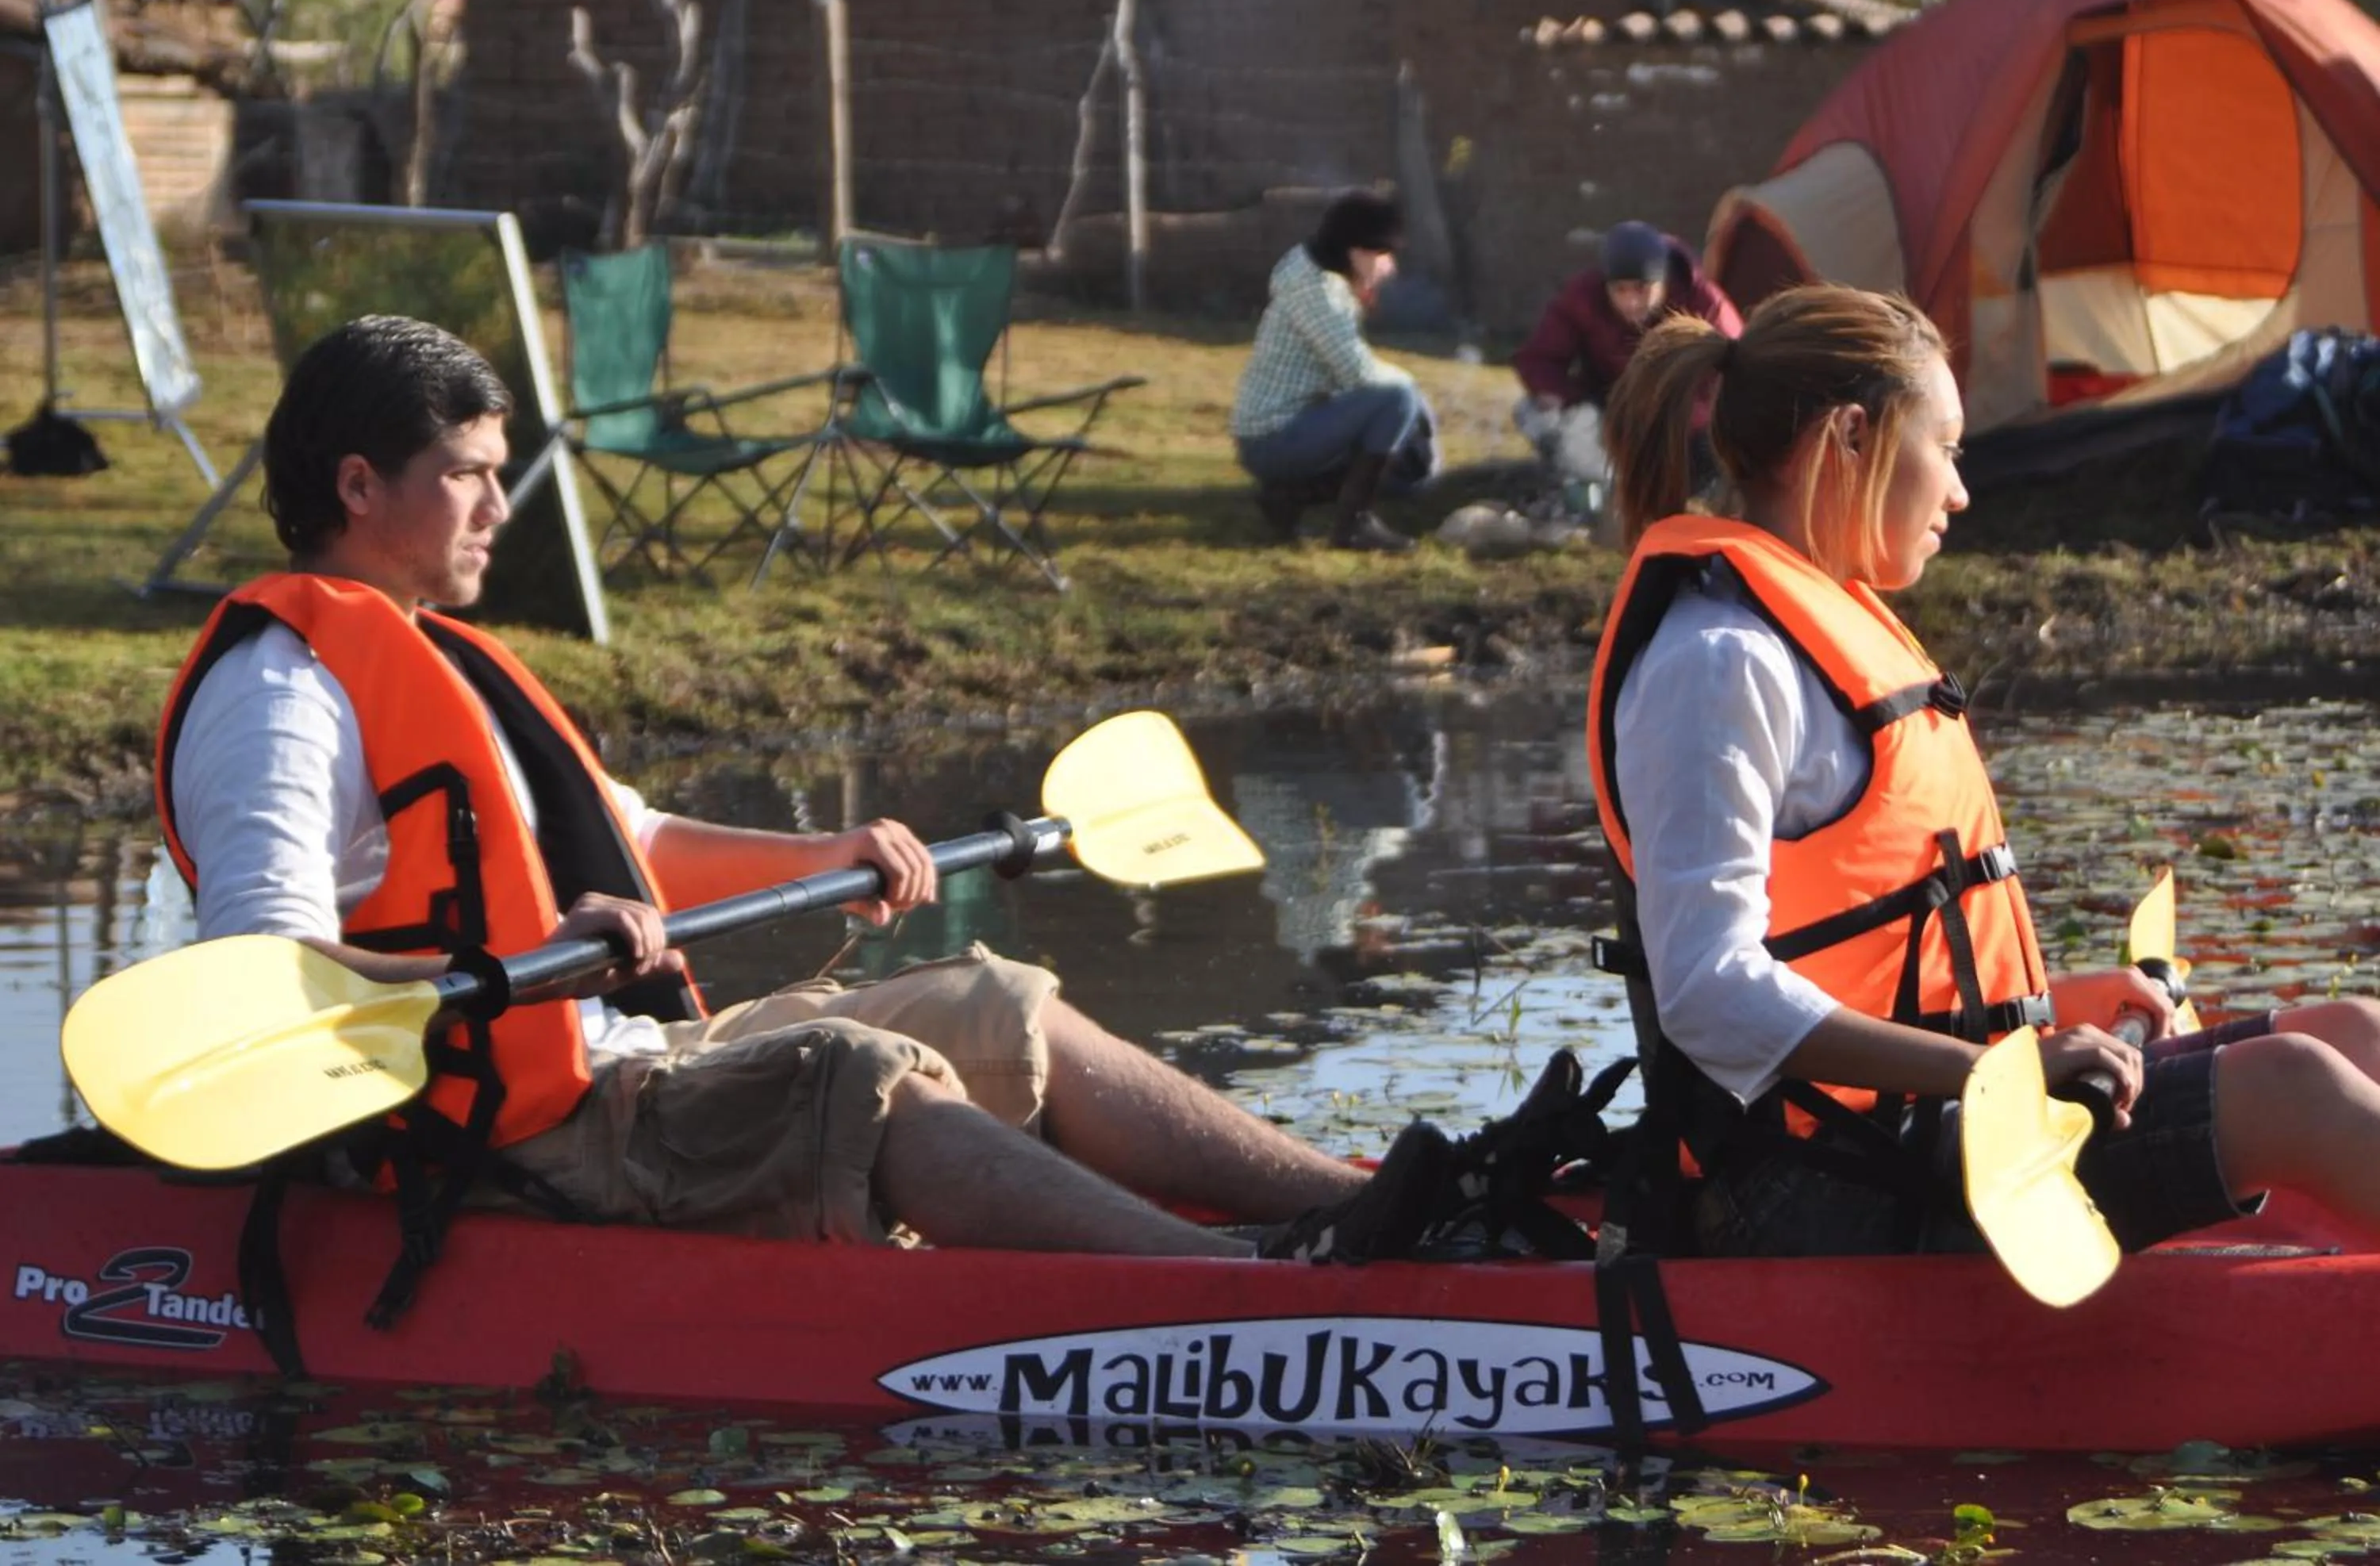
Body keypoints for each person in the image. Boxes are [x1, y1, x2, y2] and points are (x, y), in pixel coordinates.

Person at [155, 316, 1456, 1307]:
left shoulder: (441, 657)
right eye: (467, 475)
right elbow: (259, 976)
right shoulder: (279, 694)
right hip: (508, 1141)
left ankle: (1368, 1212)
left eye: (502, 471)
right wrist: (521, 966)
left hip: (614, 1070)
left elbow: (638, 846)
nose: (503, 506)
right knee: (860, 1076)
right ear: (360, 485)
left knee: (992, 997)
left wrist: (826, 852)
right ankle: (1255, 1292)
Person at [1583, 282, 2380, 1260]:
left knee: (2355, 1029)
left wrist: (2060, 1010)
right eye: (1947, 448)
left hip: (1918, 1123)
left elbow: (1872, 957)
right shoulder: (1718, 664)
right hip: (1808, 1188)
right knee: (2295, 1084)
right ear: (1849, 436)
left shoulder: (1814, 623)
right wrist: (2005, 1068)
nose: (1961, 491)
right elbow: (1708, 994)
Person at [1229, 190, 1438, 554]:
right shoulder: (1318, 292)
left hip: (1286, 426)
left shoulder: (1312, 268)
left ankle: (1290, 498)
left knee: (1408, 470)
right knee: (1399, 399)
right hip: (1274, 437)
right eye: (1383, 253)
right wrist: (1413, 391)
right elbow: (1357, 372)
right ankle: (1353, 526)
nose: (1389, 266)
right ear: (1356, 251)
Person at [1511, 221, 1742, 499]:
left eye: (1642, 289)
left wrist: (1661, 426)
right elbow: (1540, 357)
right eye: (1620, 290)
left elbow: (1735, 378)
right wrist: (1558, 394)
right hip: (1610, 409)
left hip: (1686, 428)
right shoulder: (1584, 297)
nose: (1631, 302)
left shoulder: (1706, 307)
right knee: (1535, 413)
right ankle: (1588, 492)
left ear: (1664, 281)